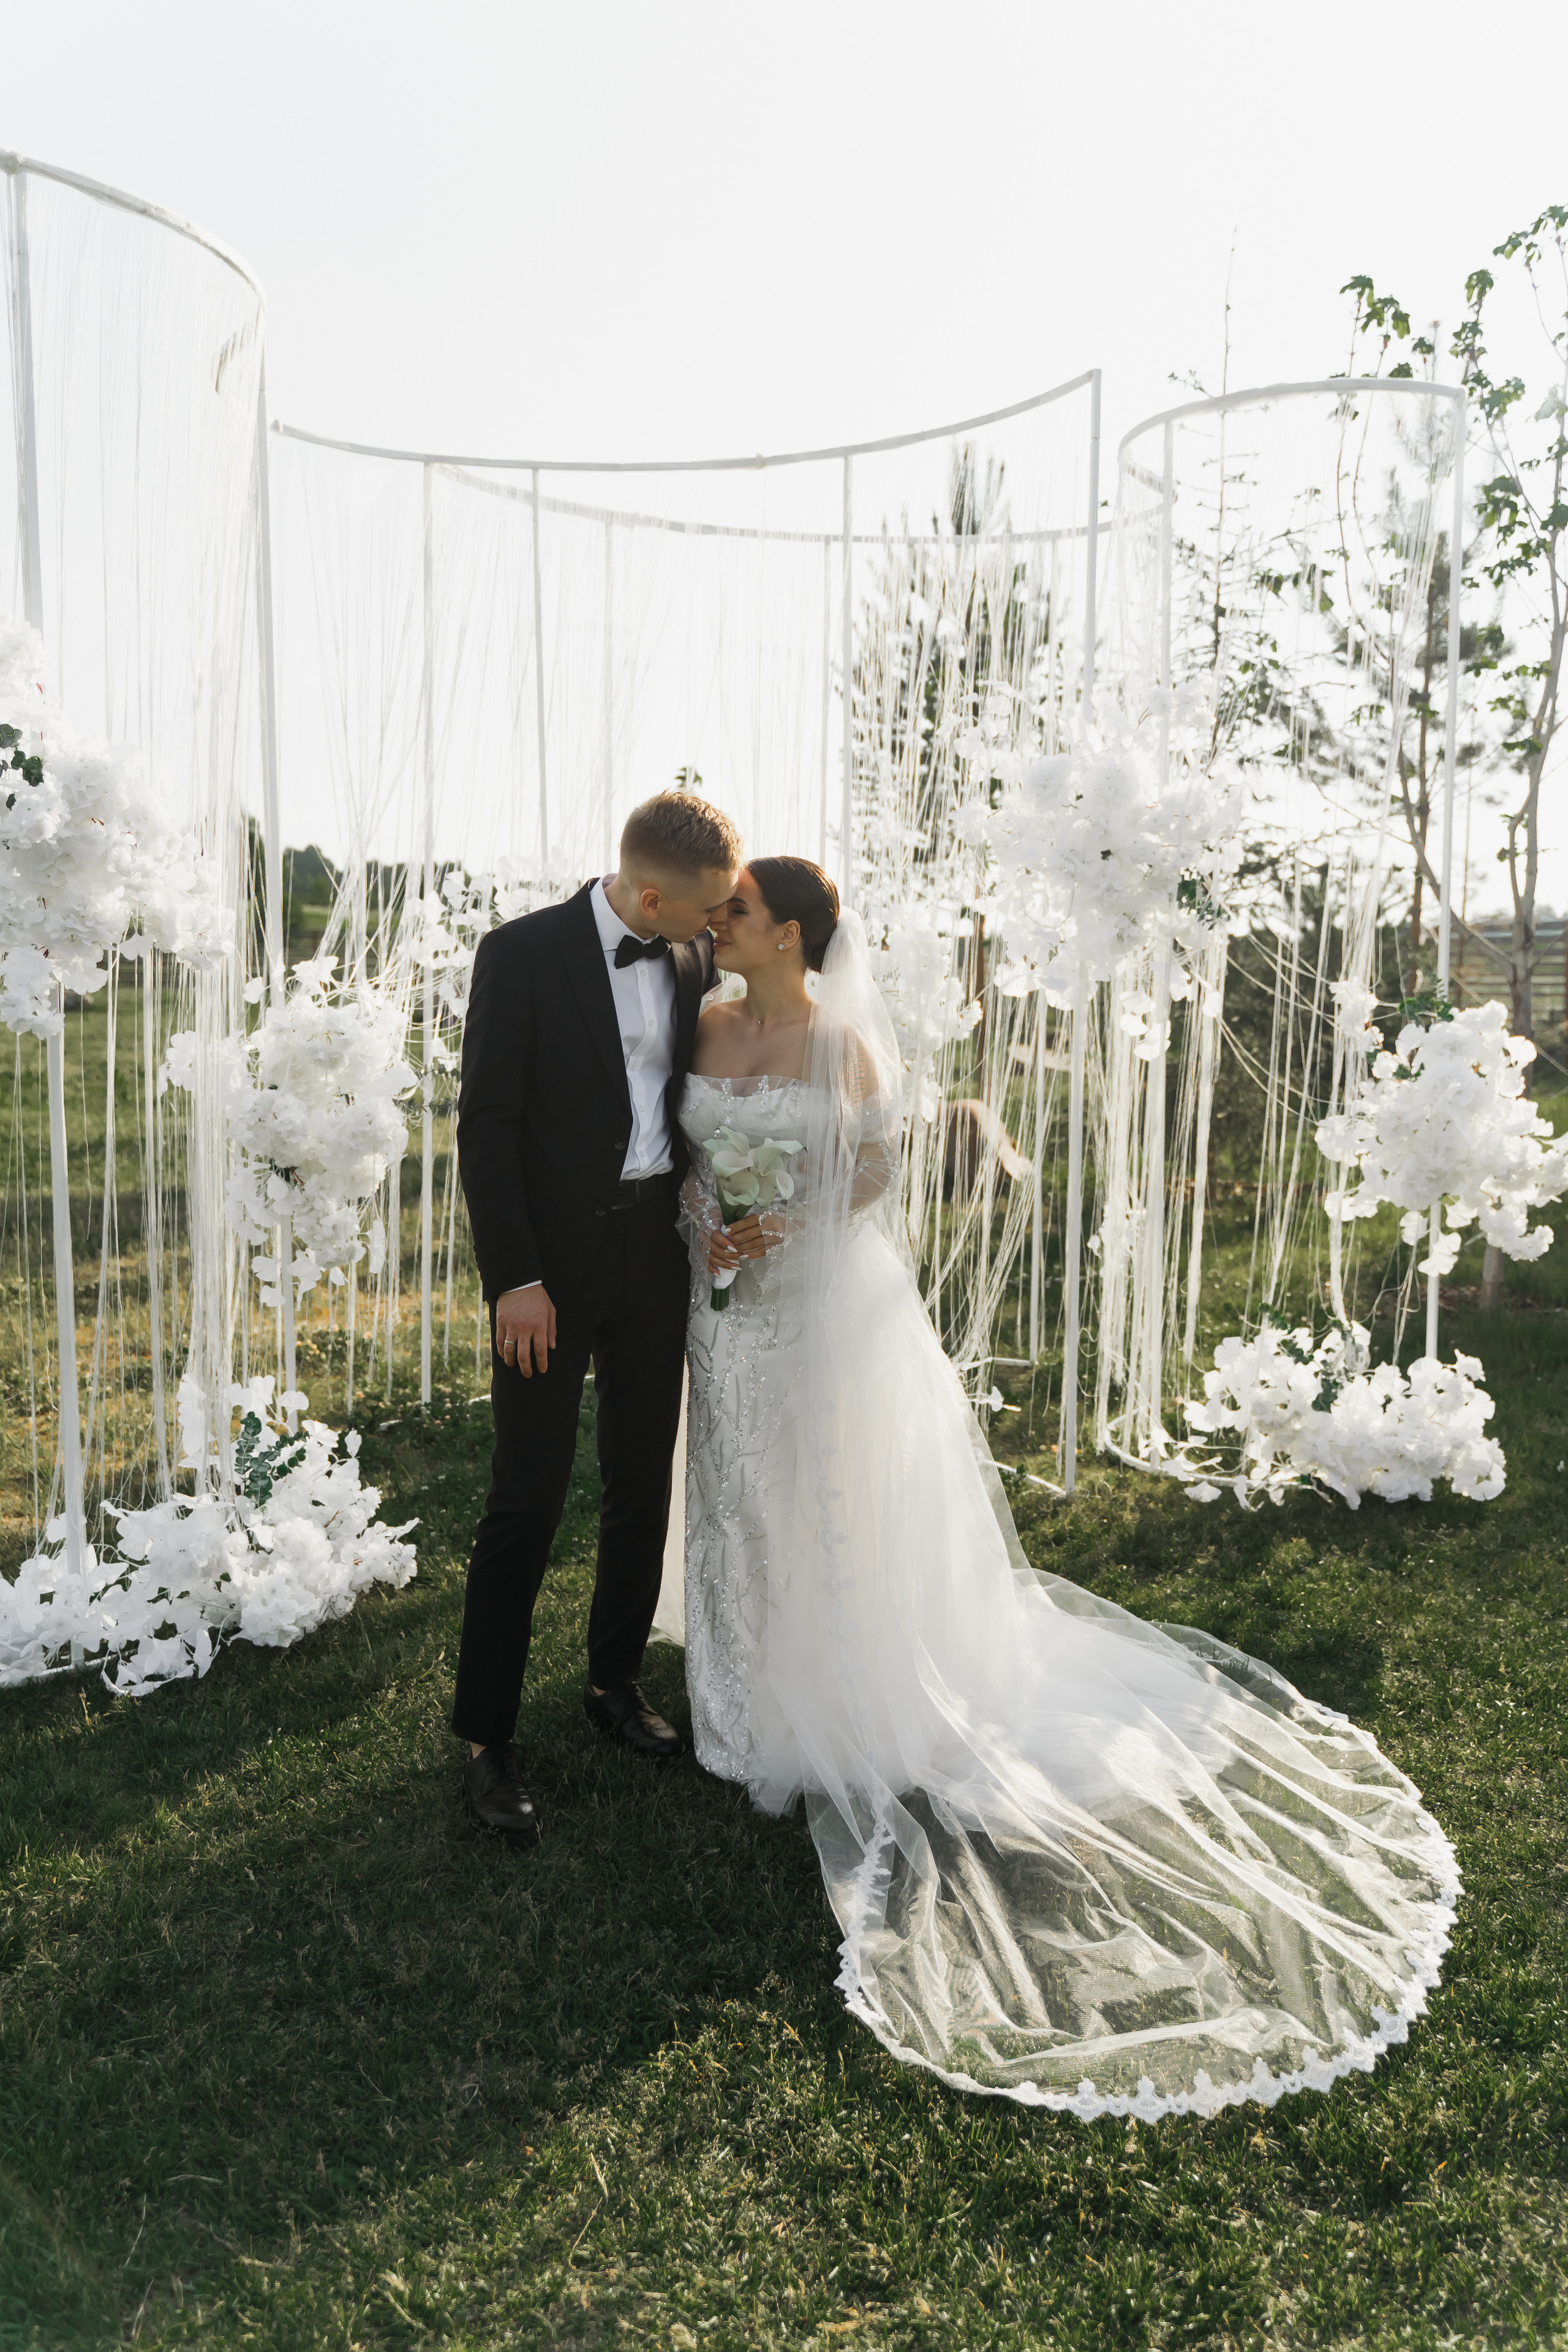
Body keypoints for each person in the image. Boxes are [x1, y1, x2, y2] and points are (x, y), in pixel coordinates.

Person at [663, 855, 1459, 2118]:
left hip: (815, 1300)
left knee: (825, 1491)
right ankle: (741, 1682)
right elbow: (689, 1145)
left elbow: (870, 1176)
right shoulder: (701, 1018)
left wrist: (783, 1226)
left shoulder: (840, 1039)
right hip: (722, 1308)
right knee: (731, 1486)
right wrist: (710, 1219)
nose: (722, 923)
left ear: (796, 934)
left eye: (742, 911)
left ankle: (839, 1683)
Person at [452, 790, 740, 1846]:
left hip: (654, 1255)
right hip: (549, 1276)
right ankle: (487, 1742)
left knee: (639, 1475)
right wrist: (514, 1278)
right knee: (526, 1496)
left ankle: (613, 1684)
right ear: (651, 894)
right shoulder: (520, 954)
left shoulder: (694, 958)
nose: (715, 931)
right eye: (704, 911)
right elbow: (486, 1129)